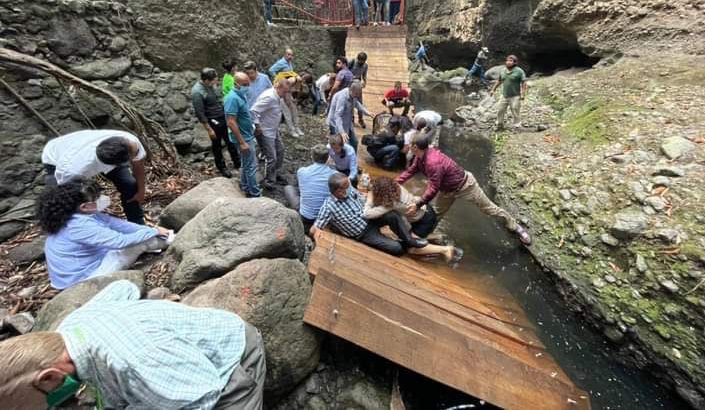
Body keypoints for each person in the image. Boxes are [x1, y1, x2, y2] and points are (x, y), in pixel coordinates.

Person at [0, 279, 266, 410]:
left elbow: (204, 395)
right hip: (174, 367)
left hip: (229, 363)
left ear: (48, 379)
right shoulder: (70, 327)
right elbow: (124, 286)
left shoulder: (133, 360)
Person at [397, 133, 532, 245]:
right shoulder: (420, 157)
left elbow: (433, 188)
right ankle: (425, 236)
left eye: (410, 144)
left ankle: (515, 227)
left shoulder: (433, 162)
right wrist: (395, 183)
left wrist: (418, 204)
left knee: (489, 209)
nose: (408, 146)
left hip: (466, 186)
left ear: (415, 147)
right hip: (447, 190)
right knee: (437, 213)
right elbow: (411, 171)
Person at [38, 178, 170, 289]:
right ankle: (173, 239)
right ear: (84, 206)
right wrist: (154, 231)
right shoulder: (78, 225)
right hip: (81, 283)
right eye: (95, 198)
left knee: (143, 235)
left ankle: (167, 238)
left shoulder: (76, 215)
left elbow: (119, 225)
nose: (100, 199)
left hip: (81, 271)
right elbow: (120, 241)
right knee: (140, 242)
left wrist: (147, 230)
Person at [41, 129, 148, 224]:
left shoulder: (129, 141)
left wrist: (141, 191)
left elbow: (138, 165)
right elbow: (64, 193)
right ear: (115, 164)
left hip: (82, 146)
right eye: (134, 152)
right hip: (55, 157)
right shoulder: (72, 170)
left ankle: (137, 221)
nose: (137, 150)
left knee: (129, 184)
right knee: (72, 204)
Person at [309, 173, 428, 256]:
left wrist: (371, 196)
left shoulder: (349, 190)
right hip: (363, 233)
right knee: (397, 249)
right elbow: (314, 228)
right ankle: (403, 244)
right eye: (346, 187)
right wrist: (316, 234)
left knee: (393, 214)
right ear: (337, 191)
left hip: (370, 219)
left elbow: (361, 196)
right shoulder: (328, 206)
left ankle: (410, 240)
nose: (349, 188)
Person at [364, 176, 462, 263]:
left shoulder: (391, 204)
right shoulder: (396, 187)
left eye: (376, 191)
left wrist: (369, 200)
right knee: (407, 235)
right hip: (426, 209)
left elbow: (367, 214)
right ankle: (436, 237)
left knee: (411, 249)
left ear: (382, 193)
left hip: (423, 221)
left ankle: (445, 249)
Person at [191, 67, 241, 178]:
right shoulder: (197, 92)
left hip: (222, 116)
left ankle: (238, 162)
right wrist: (209, 129)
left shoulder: (211, 86)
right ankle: (222, 167)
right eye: (214, 80)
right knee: (217, 145)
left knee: (230, 141)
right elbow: (200, 113)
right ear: (207, 80)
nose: (216, 82)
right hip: (212, 121)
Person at [225, 72, 261, 197]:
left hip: (247, 134)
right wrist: (242, 142)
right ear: (236, 84)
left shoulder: (241, 95)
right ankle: (255, 193)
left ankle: (245, 186)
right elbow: (230, 122)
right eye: (245, 84)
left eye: (248, 84)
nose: (247, 86)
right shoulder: (232, 98)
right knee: (251, 166)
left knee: (246, 164)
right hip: (243, 138)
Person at [252, 79, 290, 189]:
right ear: (278, 87)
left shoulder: (277, 95)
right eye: (285, 91)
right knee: (271, 157)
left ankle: (275, 173)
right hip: (265, 131)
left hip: (273, 129)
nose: (286, 94)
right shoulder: (269, 97)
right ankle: (269, 181)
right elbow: (253, 111)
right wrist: (257, 125)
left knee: (280, 150)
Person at [297, 144, 336, 233]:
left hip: (306, 215)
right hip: (324, 218)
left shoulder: (301, 171)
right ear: (328, 158)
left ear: (312, 157)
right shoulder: (334, 175)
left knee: (289, 189)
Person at [326, 80, 373, 153]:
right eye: (356, 94)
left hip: (347, 122)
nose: (358, 95)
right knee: (344, 146)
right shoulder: (342, 98)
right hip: (337, 124)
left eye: (359, 94)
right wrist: (342, 132)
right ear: (351, 90)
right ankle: (338, 160)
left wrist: (367, 112)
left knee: (354, 142)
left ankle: (353, 160)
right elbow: (337, 116)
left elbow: (357, 104)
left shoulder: (353, 95)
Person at [490, 54, 528, 129]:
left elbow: (524, 82)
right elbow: (499, 81)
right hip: (504, 95)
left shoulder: (519, 71)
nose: (508, 62)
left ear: (515, 62)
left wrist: (523, 94)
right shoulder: (503, 70)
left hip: (515, 96)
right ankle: (499, 124)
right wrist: (493, 89)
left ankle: (517, 125)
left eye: (510, 61)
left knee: (515, 109)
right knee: (500, 110)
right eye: (507, 60)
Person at [349, 52, 369, 128]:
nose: (361, 62)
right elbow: (346, 70)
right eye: (360, 60)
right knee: (351, 101)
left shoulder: (365, 66)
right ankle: (352, 119)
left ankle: (361, 119)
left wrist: (365, 81)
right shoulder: (352, 62)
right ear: (358, 59)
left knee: (360, 102)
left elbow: (364, 74)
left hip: (358, 84)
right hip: (350, 84)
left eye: (363, 61)